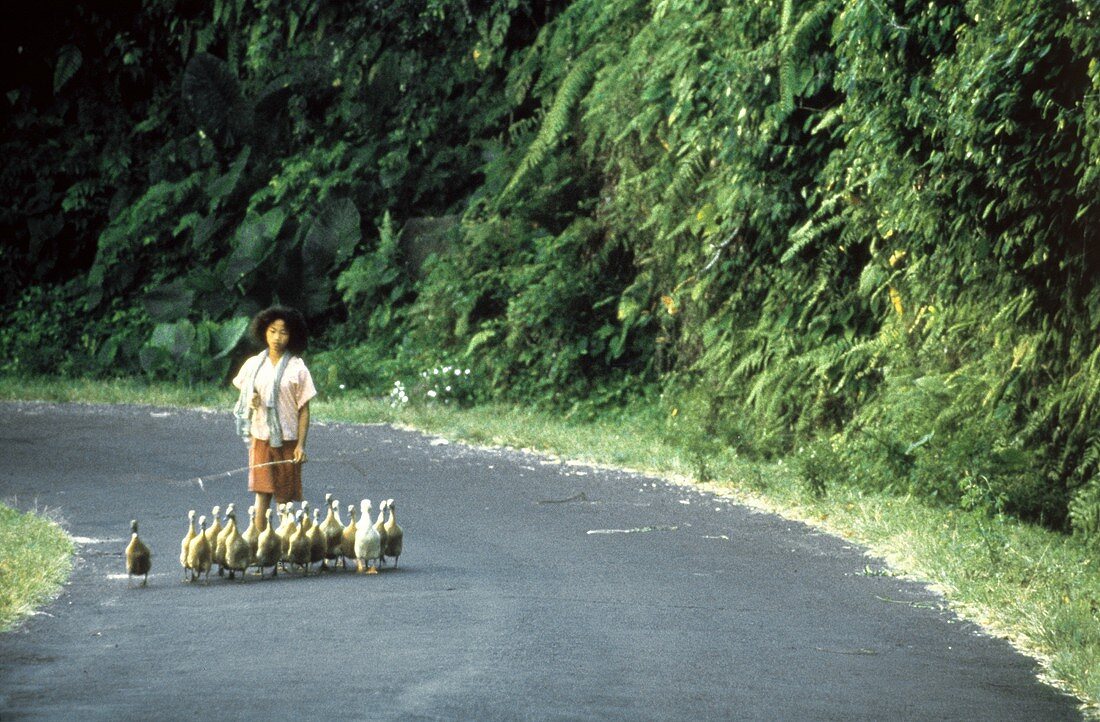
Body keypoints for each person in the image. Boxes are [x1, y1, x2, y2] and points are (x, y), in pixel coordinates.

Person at [232, 306, 317, 531]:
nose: (277, 338)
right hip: (260, 437)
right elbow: (244, 394)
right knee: (261, 496)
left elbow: (304, 410)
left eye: (283, 332)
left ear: (292, 336)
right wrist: (251, 399)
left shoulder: (298, 368)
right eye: (272, 331)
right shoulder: (253, 365)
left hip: (287, 440)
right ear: (264, 332)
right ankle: (260, 547)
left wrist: (301, 445)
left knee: (284, 500)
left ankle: (286, 548)